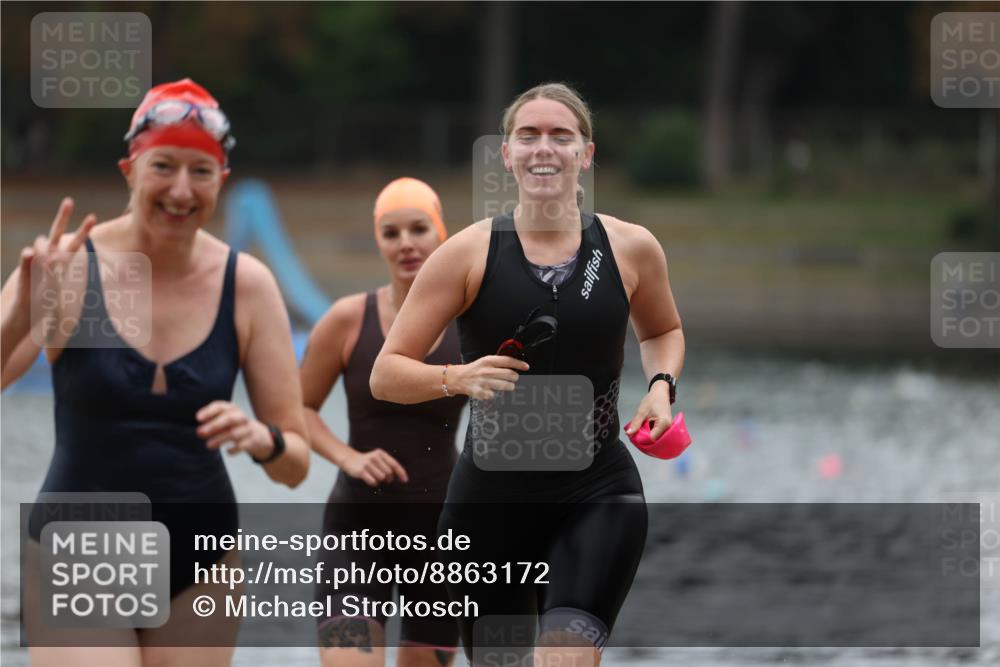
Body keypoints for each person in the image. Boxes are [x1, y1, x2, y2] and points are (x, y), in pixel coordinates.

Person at [370, 83, 685, 666]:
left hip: (597, 491)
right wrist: (457, 379)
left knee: (564, 655)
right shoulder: (465, 255)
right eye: (529, 136)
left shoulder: (631, 248)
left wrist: (661, 390)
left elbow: (662, 331)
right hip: (489, 504)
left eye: (561, 136)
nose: (545, 149)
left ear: (585, 154)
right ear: (507, 154)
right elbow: (386, 374)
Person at [1, 78, 310, 666]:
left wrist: (262, 440)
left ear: (221, 180)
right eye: (163, 165)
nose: (180, 189)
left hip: (203, 562)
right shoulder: (69, 266)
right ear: (129, 170)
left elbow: (295, 465)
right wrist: (22, 313)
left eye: (201, 171)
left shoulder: (245, 284)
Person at [301, 178, 465, 667]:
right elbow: (297, 408)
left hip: (441, 538)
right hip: (357, 532)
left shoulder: (470, 326)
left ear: (441, 234)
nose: (406, 243)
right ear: (379, 240)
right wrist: (347, 456)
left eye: (419, 229)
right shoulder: (347, 320)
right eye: (391, 233)